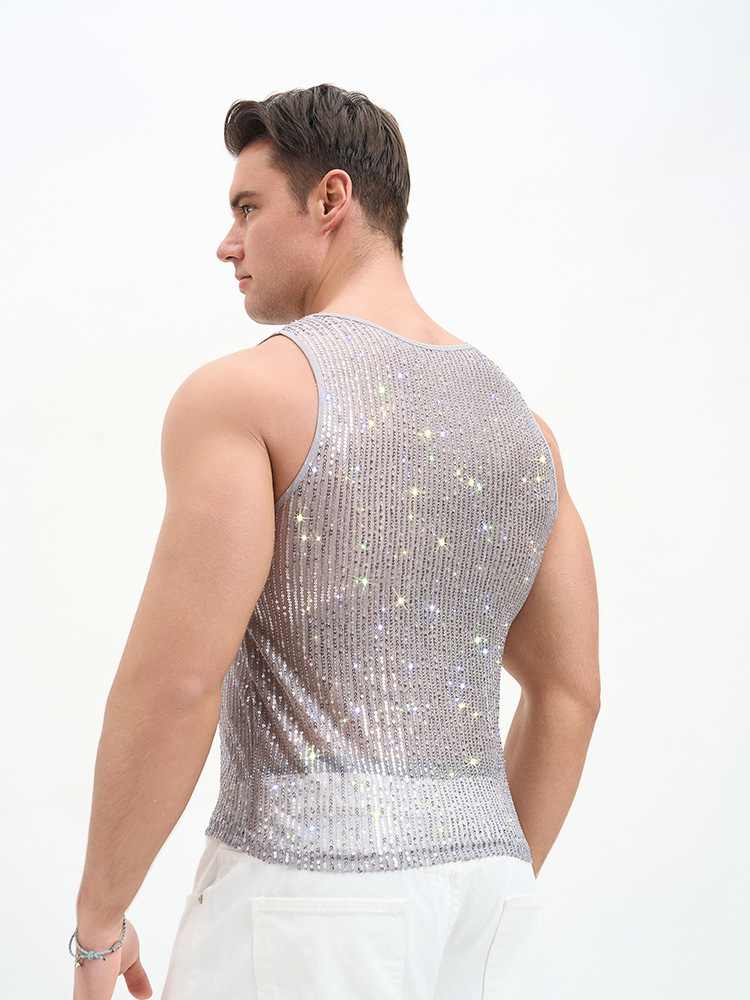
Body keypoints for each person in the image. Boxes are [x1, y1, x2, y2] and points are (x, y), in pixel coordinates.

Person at [71, 83, 600, 1000]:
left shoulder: (246, 398)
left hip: (304, 900)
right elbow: (570, 692)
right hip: (492, 902)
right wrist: (469, 884)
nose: (227, 242)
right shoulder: (524, 431)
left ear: (330, 199)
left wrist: (97, 925)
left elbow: (177, 683)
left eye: (247, 207)